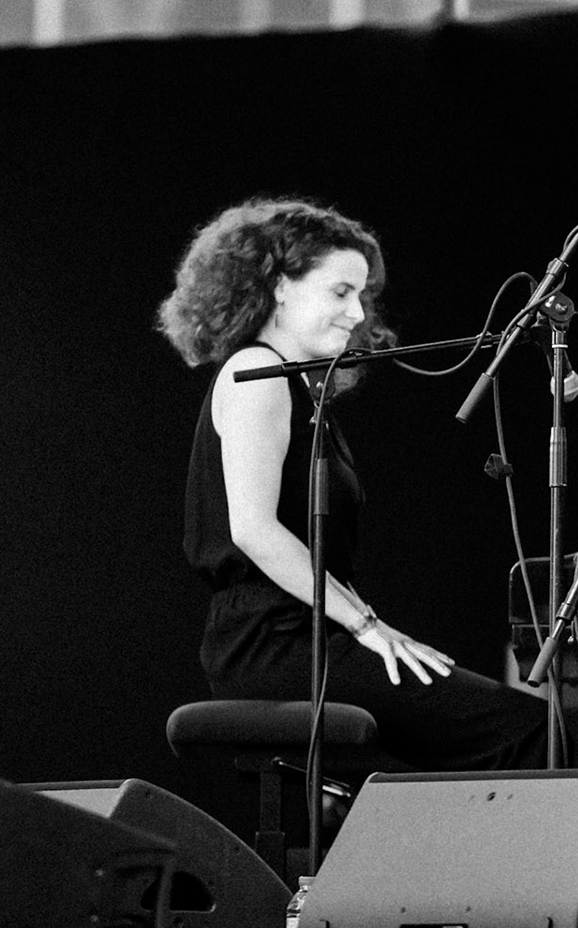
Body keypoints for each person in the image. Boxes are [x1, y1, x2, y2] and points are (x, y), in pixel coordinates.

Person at [157, 197, 544, 771]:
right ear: (278, 287)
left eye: (362, 296)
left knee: (484, 733)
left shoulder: (303, 392)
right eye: (341, 292)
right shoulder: (255, 375)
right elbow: (255, 531)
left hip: (300, 631)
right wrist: (369, 627)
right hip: (271, 642)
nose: (359, 314)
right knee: (526, 728)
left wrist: (367, 627)